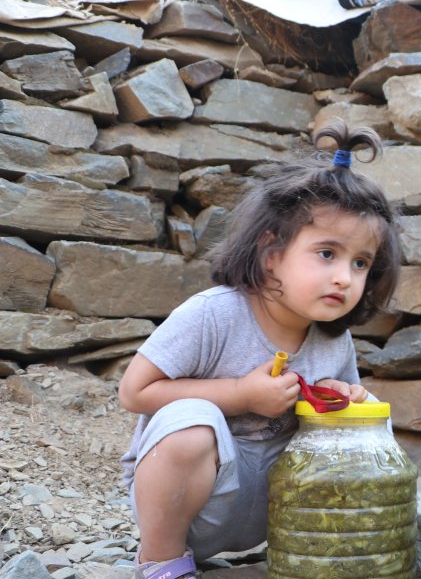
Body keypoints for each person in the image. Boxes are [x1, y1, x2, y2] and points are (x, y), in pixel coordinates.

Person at [117, 121, 401, 579]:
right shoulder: (213, 314)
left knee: (367, 431)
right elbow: (133, 392)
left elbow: (345, 435)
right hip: (193, 506)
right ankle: (162, 562)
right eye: (327, 253)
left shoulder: (333, 338)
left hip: (277, 511)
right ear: (272, 253)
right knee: (193, 423)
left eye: (361, 262)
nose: (345, 277)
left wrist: (342, 401)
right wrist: (240, 395)